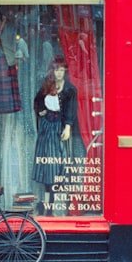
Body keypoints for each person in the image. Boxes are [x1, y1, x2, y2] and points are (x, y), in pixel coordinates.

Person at [31, 56, 80, 215]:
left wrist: (68, 126)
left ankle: (55, 206)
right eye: (56, 70)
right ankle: (47, 206)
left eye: (61, 70)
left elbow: (71, 110)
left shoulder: (69, 90)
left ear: (64, 71)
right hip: (46, 130)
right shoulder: (47, 86)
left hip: (59, 129)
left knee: (58, 167)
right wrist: (40, 112)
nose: (59, 73)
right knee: (47, 168)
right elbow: (37, 101)